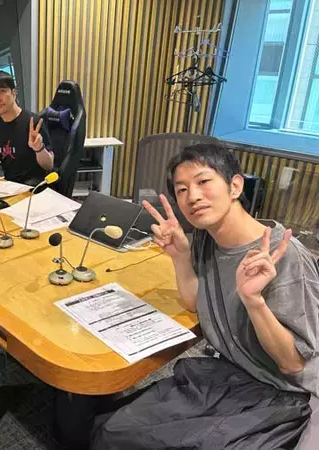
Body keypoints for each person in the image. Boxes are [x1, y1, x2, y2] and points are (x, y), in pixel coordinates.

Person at [92, 143, 319, 450]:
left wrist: (253, 301)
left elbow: (293, 363)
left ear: (235, 185)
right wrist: (180, 257)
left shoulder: (285, 256)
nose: (193, 196)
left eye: (203, 181)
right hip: (230, 373)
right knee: (112, 431)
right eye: (182, 189)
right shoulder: (207, 237)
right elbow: (195, 301)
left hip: (283, 394)